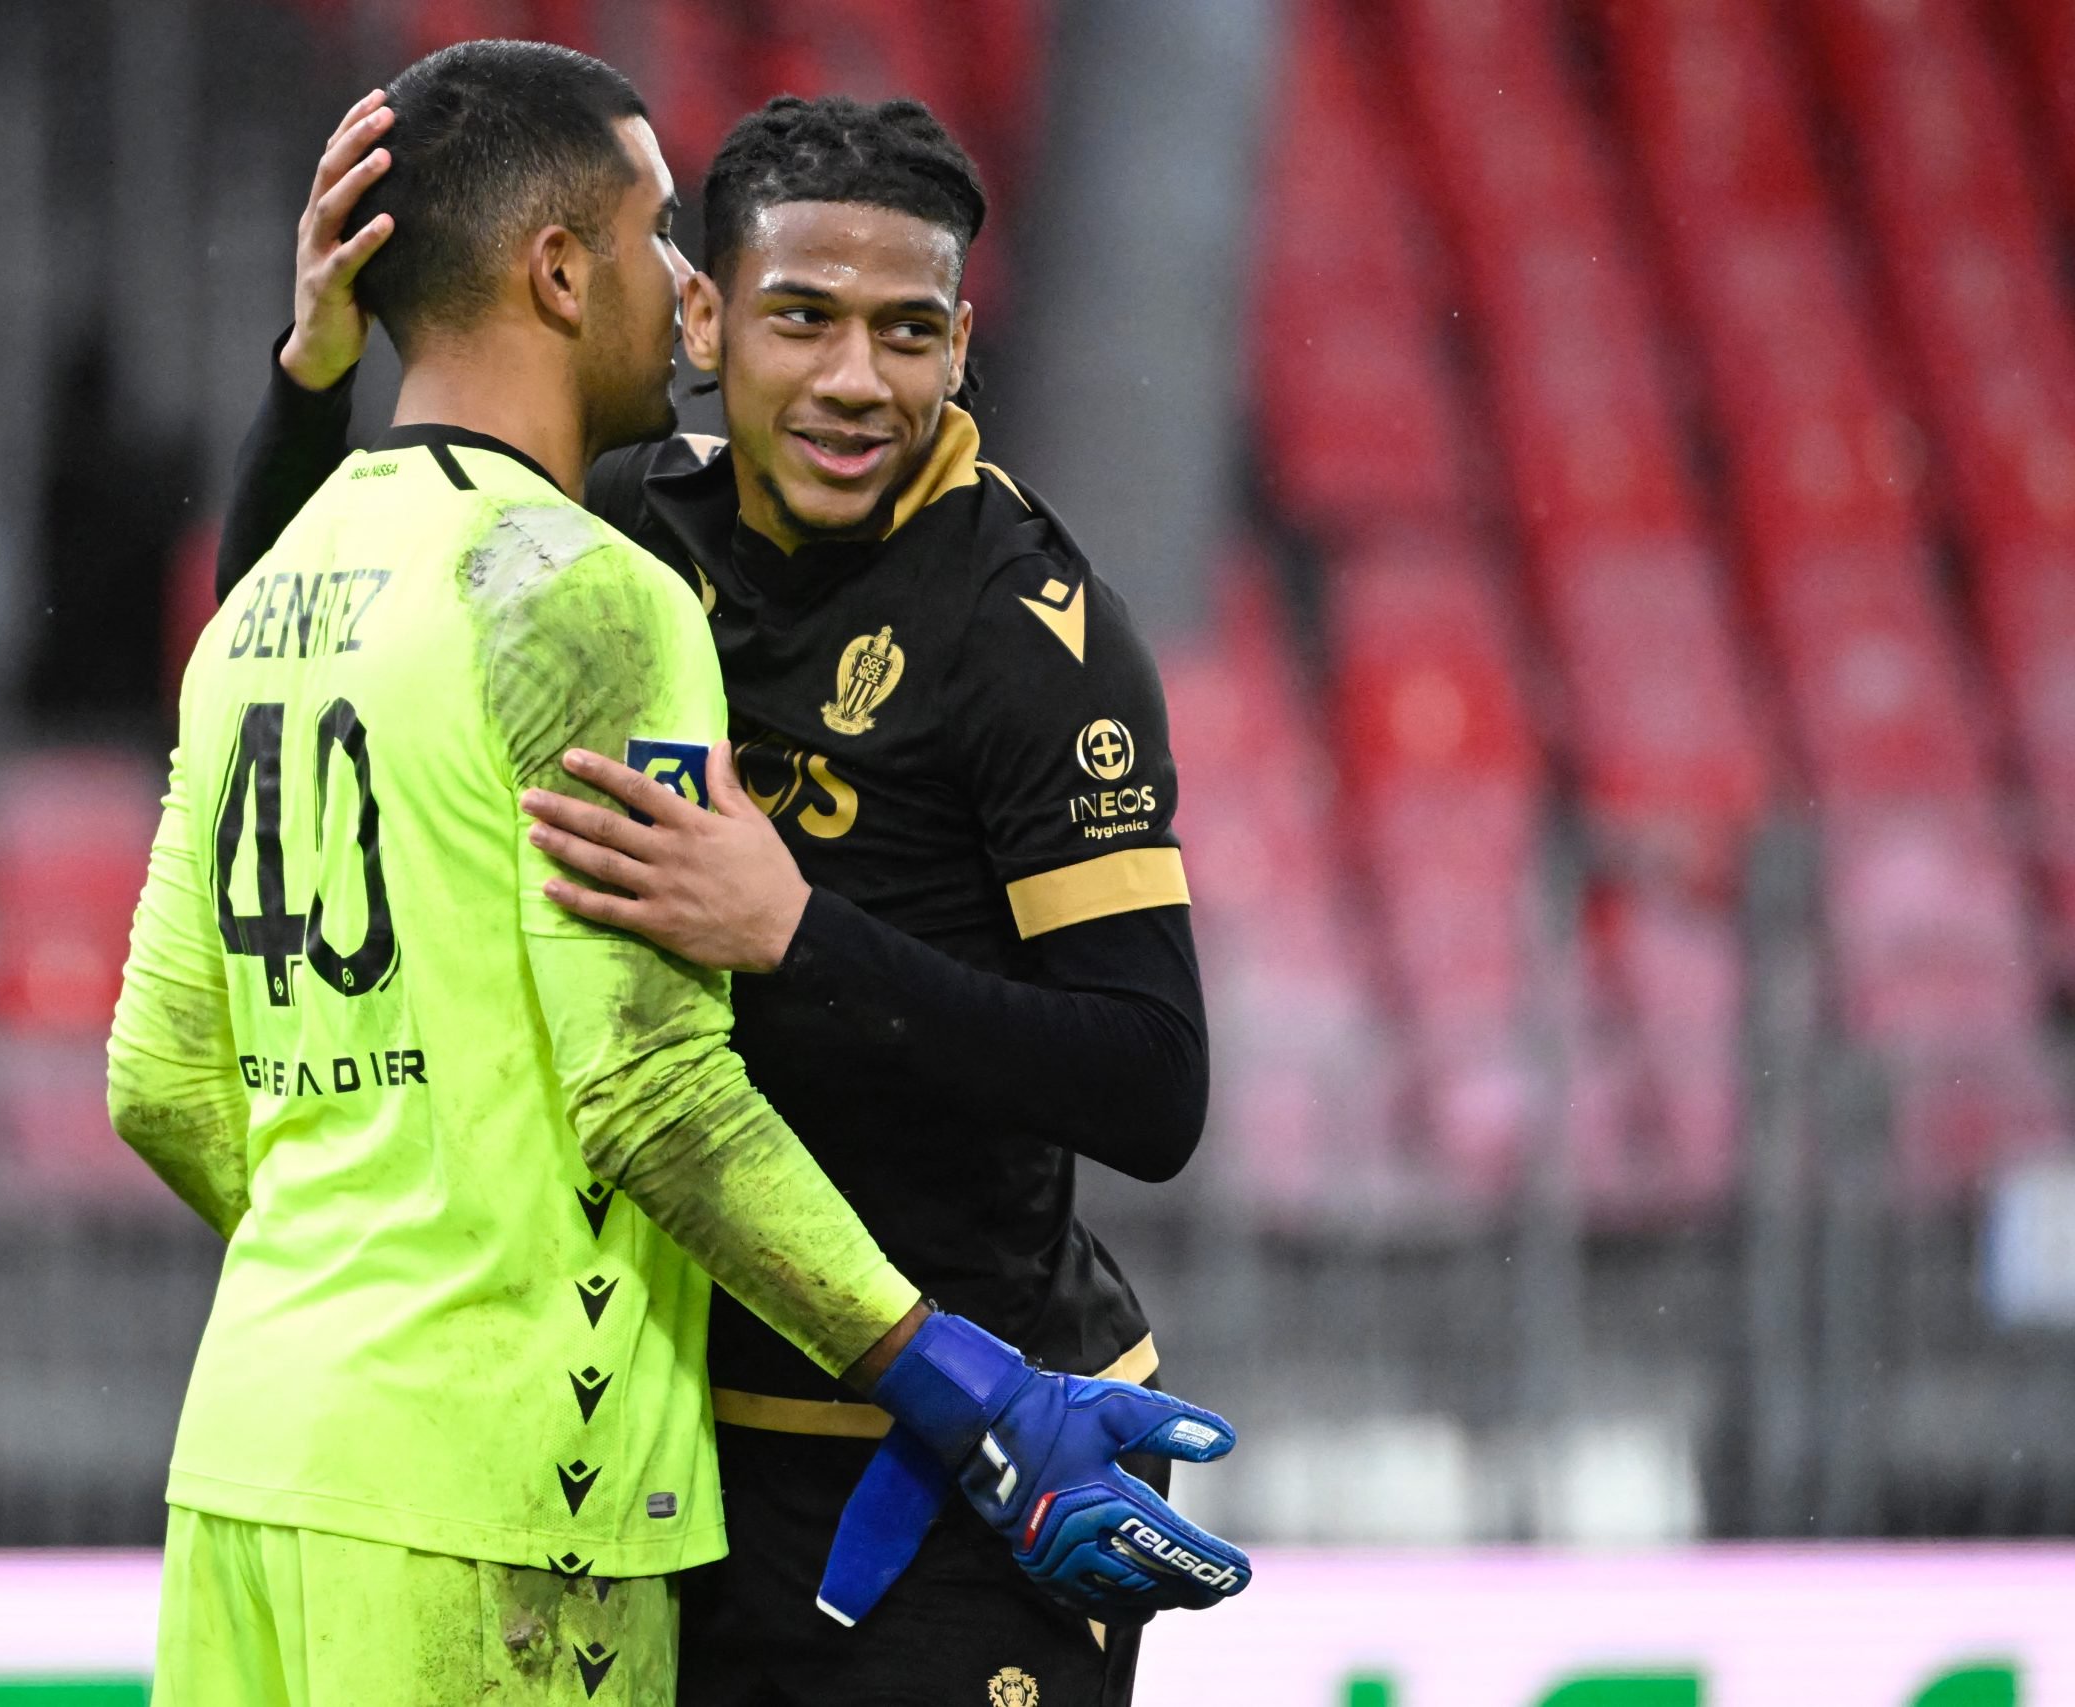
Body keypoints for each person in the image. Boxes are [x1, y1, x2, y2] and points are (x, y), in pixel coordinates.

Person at [114, 45, 1242, 1707]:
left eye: (909, 331)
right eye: (803, 319)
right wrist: (310, 378)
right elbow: (298, 616)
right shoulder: (621, 535)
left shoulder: (1028, 637)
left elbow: (1151, 1088)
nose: (858, 379)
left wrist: (799, 935)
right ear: (703, 322)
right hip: (672, 1460)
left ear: (963, 347)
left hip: (944, 1463)